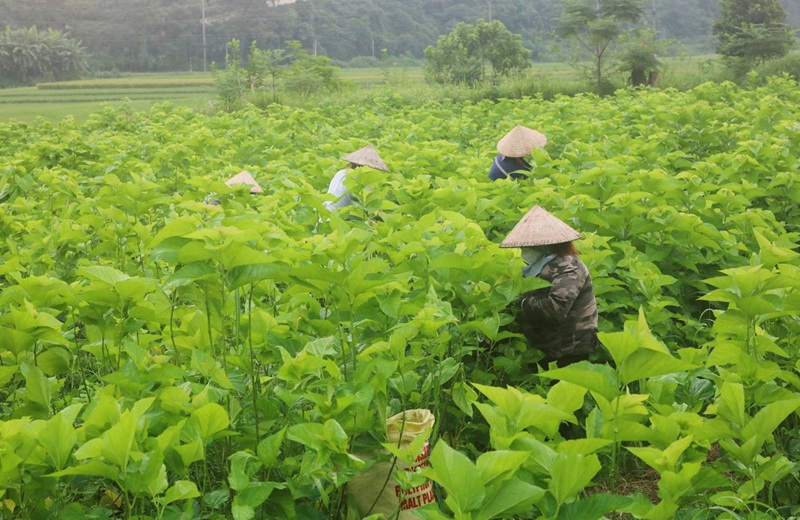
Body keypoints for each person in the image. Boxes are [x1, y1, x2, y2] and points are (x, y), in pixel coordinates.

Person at [500, 205, 598, 367]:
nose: (525, 250)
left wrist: (521, 302)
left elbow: (555, 308)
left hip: (570, 346)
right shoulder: (537, 265)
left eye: (530, 246)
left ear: (546, 245)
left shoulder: (568, 266)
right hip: (544, 345)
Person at [323, 144, 389, 210]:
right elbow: (373, 210)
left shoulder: (340, 173)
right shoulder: (357, 181)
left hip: (324, 217)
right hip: (339, 218)